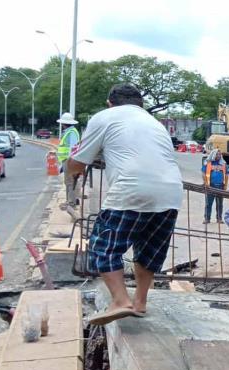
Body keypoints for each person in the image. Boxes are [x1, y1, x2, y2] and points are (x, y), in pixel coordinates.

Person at [67, 83, 183, 325]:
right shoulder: (154, 123)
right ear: (140, 104)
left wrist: (68, 173)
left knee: (103, 246)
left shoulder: (105, 117)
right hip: (171, 192)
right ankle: (140, 302)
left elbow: (77, 163)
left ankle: (121, 300)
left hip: (131, 189)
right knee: (149, 250)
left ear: (110, 103)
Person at [56, 113, 81, 206]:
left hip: (69, 160)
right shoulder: (69, 132)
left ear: (63, 123)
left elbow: (73, 148)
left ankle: (72, 202)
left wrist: (71, 161)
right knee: (69, 181)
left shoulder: (71, 132)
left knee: (70, 181)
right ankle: (71, 200)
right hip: (67, 160)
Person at [202, 149, 228, 224]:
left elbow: (226, 175)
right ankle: (207, 218)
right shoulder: (208, 163)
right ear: (213, 155)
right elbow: (203, 173)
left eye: (220, 154)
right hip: (210, 186)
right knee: (208, 204)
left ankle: (219, 219)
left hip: (220, 186)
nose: (219, 156)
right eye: (217, 154)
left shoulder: (223, 164)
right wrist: (206, 183)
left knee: (219, 204)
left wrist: (225, 185)